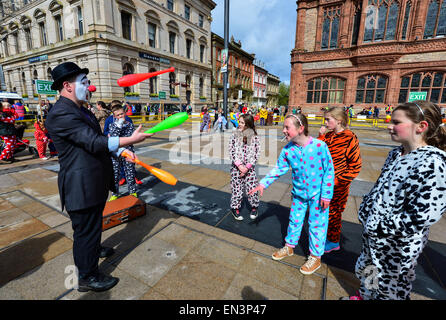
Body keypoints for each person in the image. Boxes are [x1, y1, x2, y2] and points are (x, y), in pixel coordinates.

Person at [45, 62, 154, 293]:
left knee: (92, 226)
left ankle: (93, 249)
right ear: (67, 86)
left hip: (92, 181)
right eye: (83, 83)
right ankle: (87, 276)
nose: (89, 86)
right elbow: (93, 142)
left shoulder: (81, 109)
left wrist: (121, 151)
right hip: (80, 185)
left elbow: (97, 141)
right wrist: (129, 141)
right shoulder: (61, 113)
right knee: (85, 231)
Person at [344, 101, 446, 300]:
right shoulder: (396, 153)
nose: (389, 126)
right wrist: (366, 210)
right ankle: (365, 295)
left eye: (396, 122)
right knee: (369, 272)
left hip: (397, 245)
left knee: (390, 287)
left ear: (421, 127)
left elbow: (423, 215)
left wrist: (382, 227)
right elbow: (380, 188)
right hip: (374, 235)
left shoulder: (432, 163)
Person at [249, 113, 335, 275]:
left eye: (287, 127)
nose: (284, 131)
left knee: (317, 225)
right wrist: (262, 183)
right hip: (298, 195)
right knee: (294, 221)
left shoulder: (319, 146)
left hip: (318, 196)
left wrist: (326, 194)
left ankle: (315, 257)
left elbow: (329, 171)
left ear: (301, 128)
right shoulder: (288, 150)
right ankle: (289, 247)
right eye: (284, 127)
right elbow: (278, 169)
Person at [318, 107, 362, 253]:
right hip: (324, 183)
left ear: (339, 121)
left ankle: (333, 241)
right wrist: (321, 136)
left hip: (338, 185)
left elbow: (355, 166)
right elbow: (317, 151)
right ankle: (325, 237)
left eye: (327, 119)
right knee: (324, 212)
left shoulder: (350, 137)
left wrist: (338, 181)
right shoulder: (329, 135)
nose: (325, 122)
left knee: (334, 214)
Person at [229, 114, 261, 220]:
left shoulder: (255, 137)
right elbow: (231, 150)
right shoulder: (234, 134)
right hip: (236, 168)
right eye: (240, 121)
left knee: (252, 189)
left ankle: (254, 207)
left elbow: (257, 153)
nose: (240, 124)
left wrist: (247, 167)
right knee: (237, 189)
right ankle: (235, 208)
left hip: (249, 168)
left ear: (248, 124)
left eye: (242, 122)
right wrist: (239, 165)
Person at [108, 104, 139, 201]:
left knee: (130, 172)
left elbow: (131, 138)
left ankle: (132, 191)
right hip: (116, 153)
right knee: (115, 174)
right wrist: (119, 125)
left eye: (122, 114)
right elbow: (113, 137)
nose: (120, 116)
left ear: (125, 113)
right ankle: (115, 193)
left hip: (128, 152)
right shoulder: (112, 125)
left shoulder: (129, 125)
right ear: (114, 116)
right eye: (118, 115)